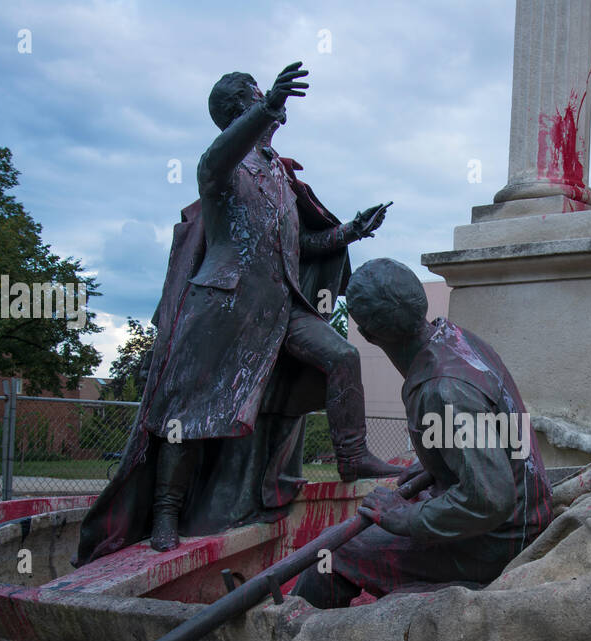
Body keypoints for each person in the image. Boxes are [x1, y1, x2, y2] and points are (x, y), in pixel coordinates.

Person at [74, 63, 399, 566]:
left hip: (280, 305)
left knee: (341, 356)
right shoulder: (224, 166)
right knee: (189, 415)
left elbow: (299, 246)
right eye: (258, 97)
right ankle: (166, 513)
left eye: (269, 97)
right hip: (222, 306)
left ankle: (351, 456)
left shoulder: (279, 175)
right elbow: (214, 159)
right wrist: (265, 109)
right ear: (238, 113)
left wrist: (351, 231)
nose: (276, 104)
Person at [291, 259, 554, 607]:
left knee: (332, 552)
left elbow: (489, 499)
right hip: (521, 517)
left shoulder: (442, 390)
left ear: (368, 334)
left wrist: (404, 517)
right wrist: (438, 466)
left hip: (500, 542)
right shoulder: (454, 338)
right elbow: (489, 432)